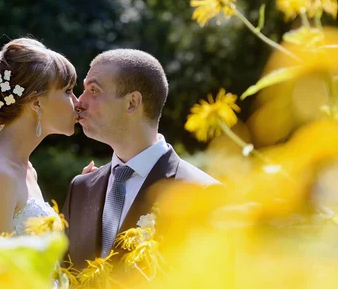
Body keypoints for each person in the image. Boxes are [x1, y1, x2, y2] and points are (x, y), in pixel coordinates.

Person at [62, 49, 220, 268]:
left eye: (94, 90)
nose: (79, 102)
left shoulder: (200, 193)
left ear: (132, 103)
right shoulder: (80, 188)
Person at [0, 38, 80, 235]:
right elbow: (3, 264)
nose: (77, 102)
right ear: (36, 103)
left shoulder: (25, 168)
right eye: (68, 91)